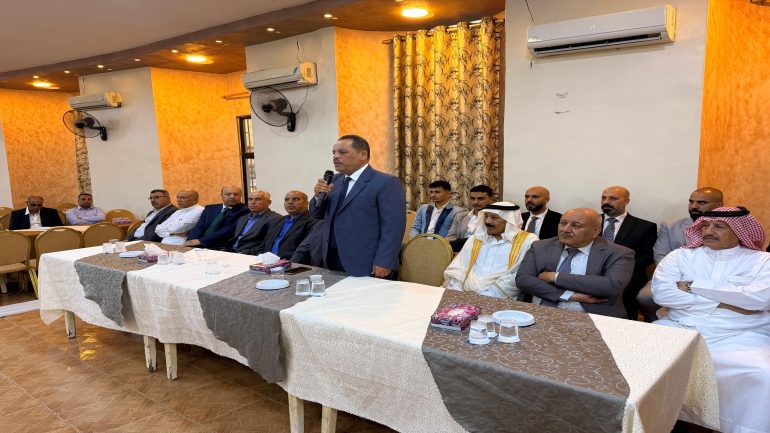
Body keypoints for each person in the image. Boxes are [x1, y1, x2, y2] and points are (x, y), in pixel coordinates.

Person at [651, 207, 770, 433]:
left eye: (718, 226)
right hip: (681, 327)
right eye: (705, 225)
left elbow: (759, 298)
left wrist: (693, 285)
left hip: (740, 335)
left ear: (739, 231)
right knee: (641, 355)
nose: (708, 231)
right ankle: (654, 418)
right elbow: (662, 295)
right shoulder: (679, 256)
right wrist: (727, 302)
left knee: (761, 373)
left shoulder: (762, 261)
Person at [311, 134, 406, 277]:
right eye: (334, 153)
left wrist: (384, 261)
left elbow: (393, 227)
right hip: (331, 258)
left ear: (363, 154)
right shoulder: (334, 181)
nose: (335, 157)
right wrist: (318, 196)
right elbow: (316, 215)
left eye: (342, 152)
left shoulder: (386, 182)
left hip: (367, 261)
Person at [515, 208, 634, 318]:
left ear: (595, 231)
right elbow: (523, 279)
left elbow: (611, 286)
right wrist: (569, 296)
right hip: (542, 312)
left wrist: (555, 277)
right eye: (562, 223)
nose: (565, 229)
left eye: (576, 225)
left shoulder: (618, 253)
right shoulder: (541, 246)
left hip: (594, 316)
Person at [637, 187, 724, 321]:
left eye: (701, 203)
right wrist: (675, 278)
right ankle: (659, 323)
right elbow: (660, 255)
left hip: (711, 278)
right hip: (673, 276)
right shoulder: (671, 225)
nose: (694, 206)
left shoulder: (727, 230)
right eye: (691, 202)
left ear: (719, 206)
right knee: (645, 296)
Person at [443, 202, 537, 299]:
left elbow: (519, 274)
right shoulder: (477, 238)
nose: (487, 221)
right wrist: (456, 290)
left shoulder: (527, 241)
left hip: (500, 296)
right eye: (486, 216)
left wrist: (487, 295)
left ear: (509, 220)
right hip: (463, 292)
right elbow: (459, 267)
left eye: (494, 217)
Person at [600, 186, 657, 320]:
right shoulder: (589, 222)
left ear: (626, 201)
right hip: (590, 269)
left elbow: (647, 257)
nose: (606, 201)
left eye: (613, 198)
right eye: (604, 198)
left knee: (626, 288)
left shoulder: (644, 226)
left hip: (627, 272)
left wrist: (618, 267)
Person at [264, 190, 318, 260]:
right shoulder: (278, 220)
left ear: (306, 203)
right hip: (267, 261)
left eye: (295, 199)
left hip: (291, 263)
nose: (290, 202)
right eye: (287, 200)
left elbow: (307, 249)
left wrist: (289, 263)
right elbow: (266, 242)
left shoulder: (313, 222)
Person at [226, 190, 283, 255]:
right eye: (250, 199)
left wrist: (243, 253)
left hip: (248, 254)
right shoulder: (243, 218)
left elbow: (267, 245)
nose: (253, 202)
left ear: (269, 202)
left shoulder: (275, 218)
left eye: (258, 199)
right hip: (230, 251)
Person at [445, 185, 494, 252]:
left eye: (480, 199)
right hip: (458, 250)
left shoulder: (494, 219)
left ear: (491, 200)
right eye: (472, 198)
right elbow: (451, 237)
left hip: (481, 251)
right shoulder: (460, 216)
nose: (475, 202)